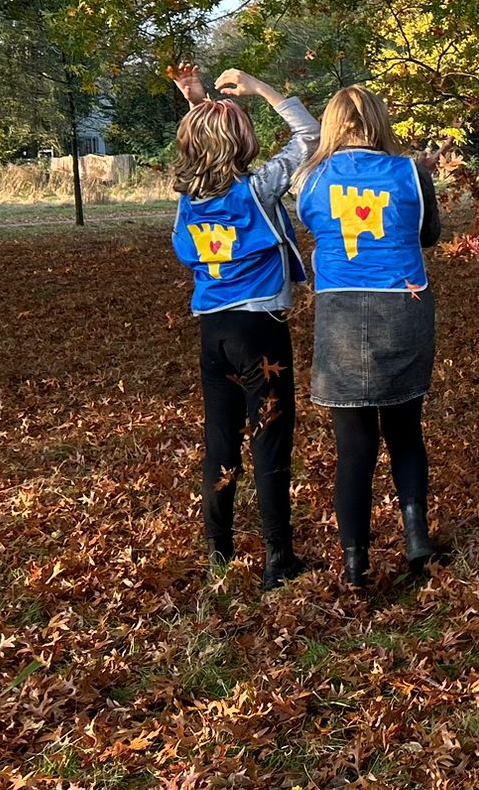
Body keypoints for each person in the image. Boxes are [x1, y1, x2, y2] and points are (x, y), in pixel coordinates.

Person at [167, 65, 319, 590]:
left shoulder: (191, 200)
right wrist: (261, 89)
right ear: (241, 142)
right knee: (271, 442)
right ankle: (279, 560)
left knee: (221, 442)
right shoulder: (258, 190)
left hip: (214, 334)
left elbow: (205, 151)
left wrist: (196, 105)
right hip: (260, 334)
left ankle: (219, 553)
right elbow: (310, 136)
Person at [294, 86, 444, 589]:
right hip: (403, 307)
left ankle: (355, 562)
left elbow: (313, 225)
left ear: (332, 125)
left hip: (339, 312)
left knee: (353, 446)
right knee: (405, 430)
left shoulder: (311, 177)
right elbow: (428, 235)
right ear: (380, 120)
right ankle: (416, 535)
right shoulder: (410, 172)